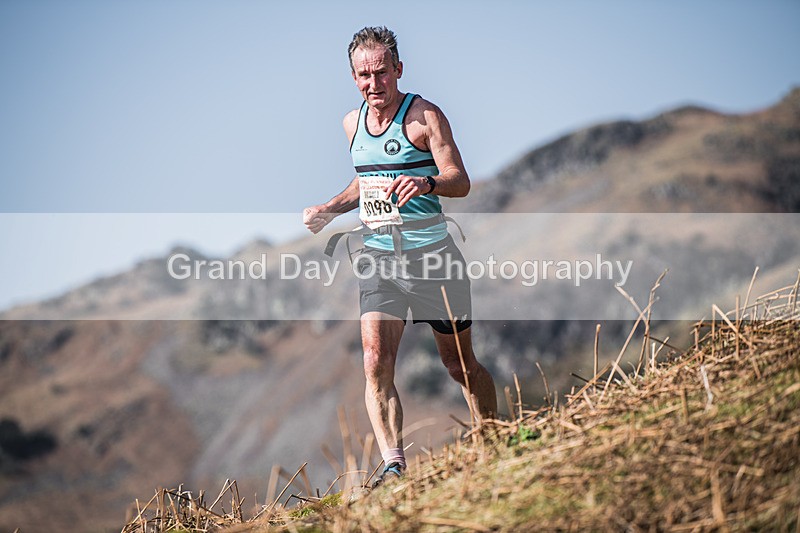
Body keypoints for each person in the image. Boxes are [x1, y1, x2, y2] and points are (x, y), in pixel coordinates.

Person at [303, 26, 497, 488]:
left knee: (459, 365)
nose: (374, 84)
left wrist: (428, 183)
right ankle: (394, 465)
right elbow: (364, 180)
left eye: (382, 73)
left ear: (398, 70)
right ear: (353, 78)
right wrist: (330, 208)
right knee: (374, 361)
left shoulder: (424, 116)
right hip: (380, 259)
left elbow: (459, 179)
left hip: (433, 258)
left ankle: (493, 439)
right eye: (364, 75)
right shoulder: (351, 124)